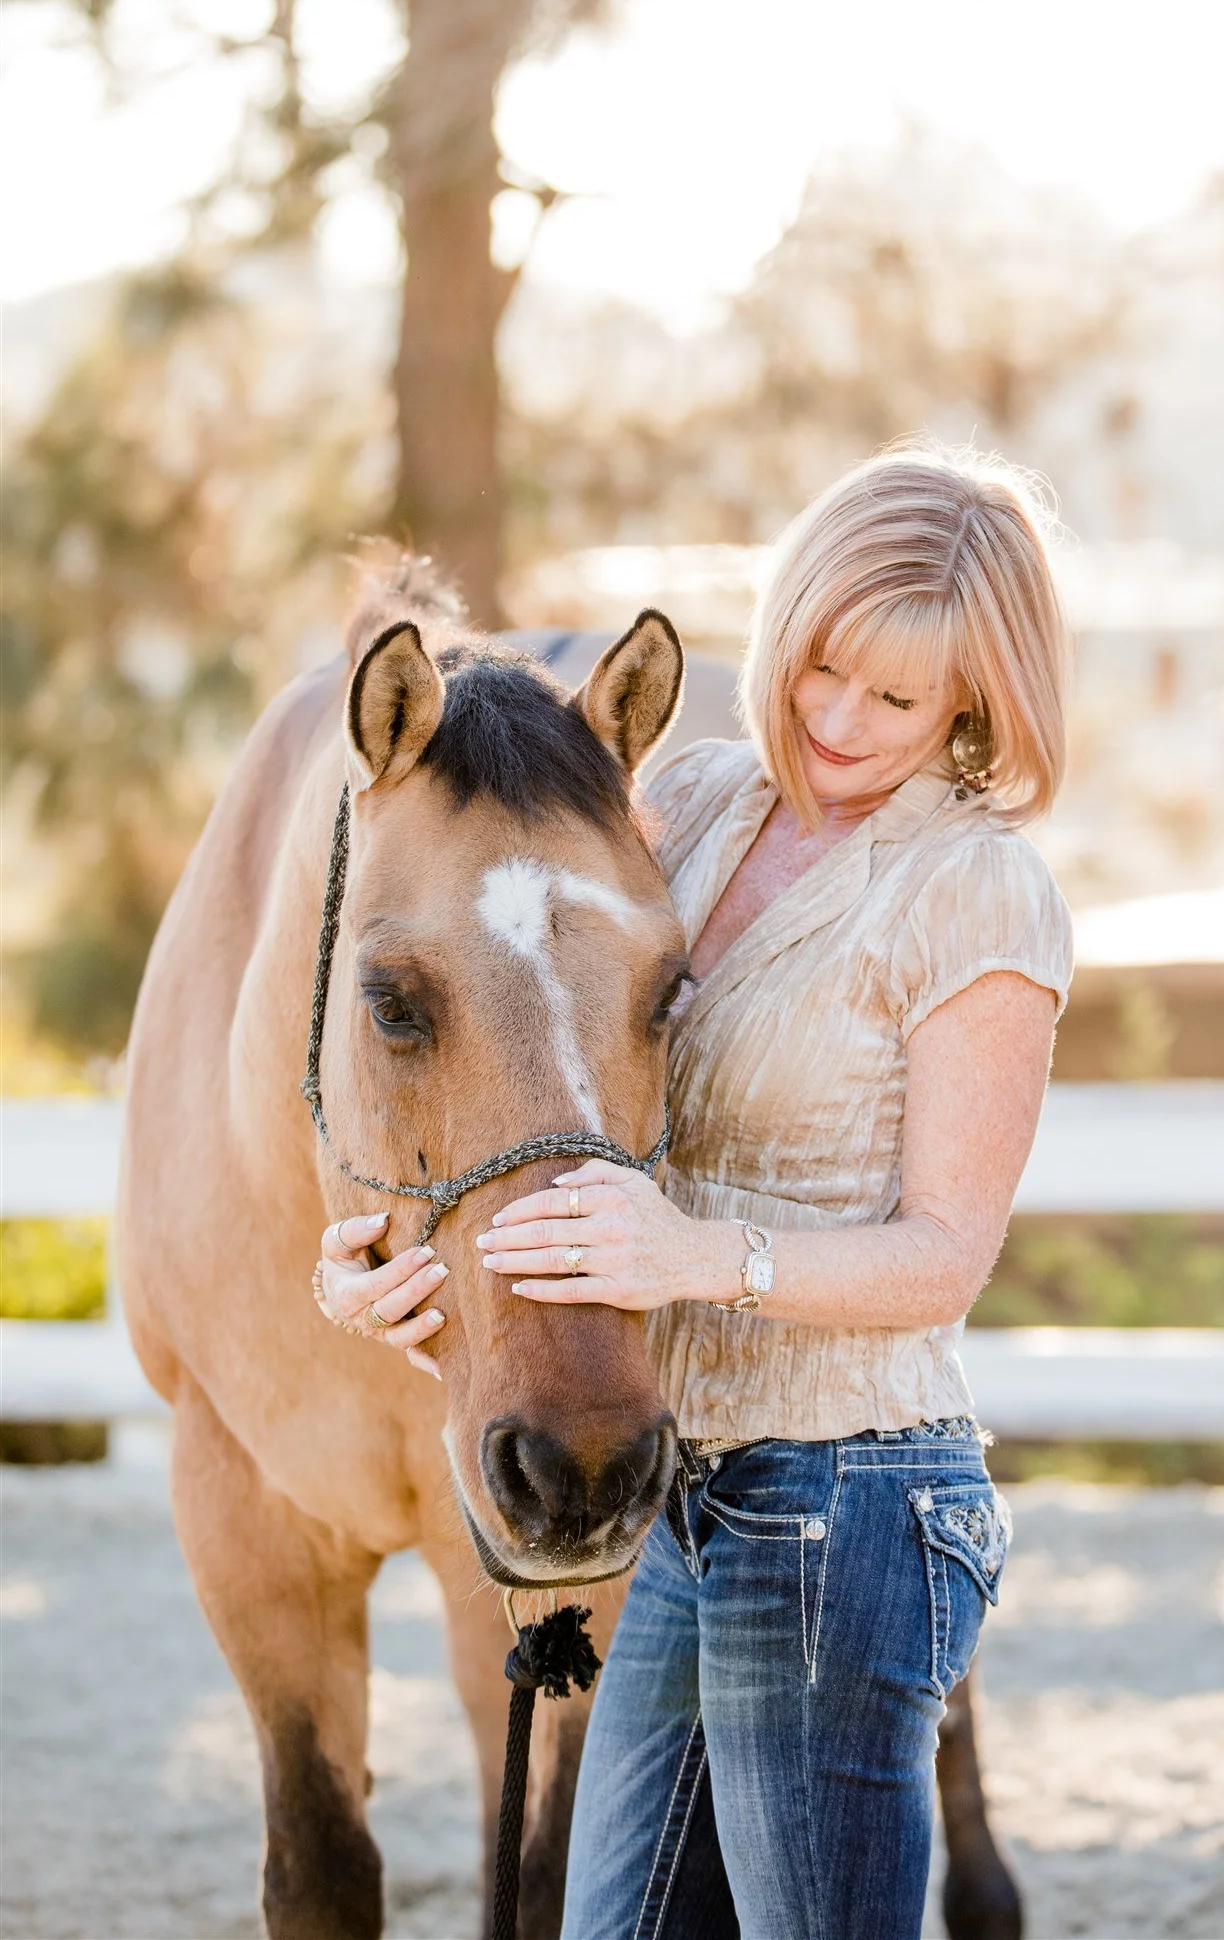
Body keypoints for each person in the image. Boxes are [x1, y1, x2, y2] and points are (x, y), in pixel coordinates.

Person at [316, 446, 1073, 1938]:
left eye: (900, 699)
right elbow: (536, 1050)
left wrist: (691, 1257)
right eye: (820, 670)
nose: (841, 724)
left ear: (978, 702)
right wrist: (389, 1268)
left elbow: (941, 1261)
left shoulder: (978, 894)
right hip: (685, 1493)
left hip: (852, 1500)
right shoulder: (701, 806)